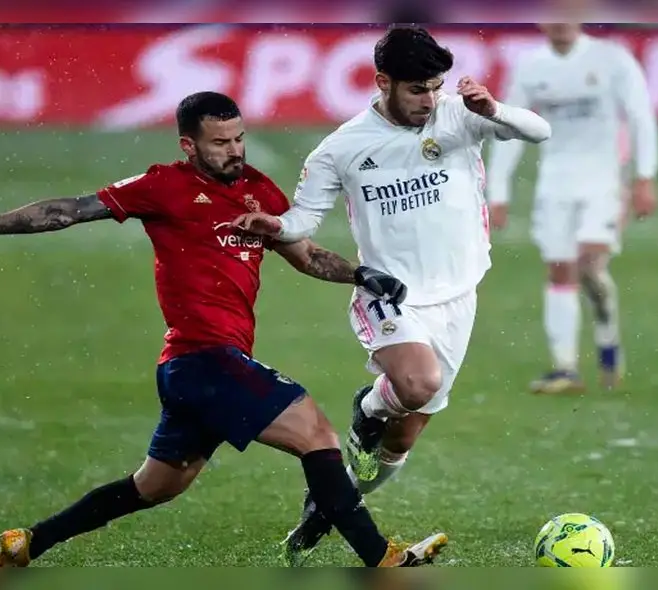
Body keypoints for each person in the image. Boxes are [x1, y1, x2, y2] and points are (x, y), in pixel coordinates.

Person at [0, 91, 448, 568]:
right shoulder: (162, 185)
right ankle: (382, 560)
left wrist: (361, 274)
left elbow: (304, 255)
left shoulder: (259, 191)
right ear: (188, 146)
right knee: (318, 435)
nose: (235, 151)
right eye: (220, 143)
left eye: (239, 138)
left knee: (154, 487)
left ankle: (26, 543)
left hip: (200, 369)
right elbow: (66, 211)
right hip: (202, 358)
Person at [234, 25, 552, 566]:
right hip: (389, 293)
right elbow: (305, 218)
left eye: (435, 87)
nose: (429, 101)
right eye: (416, 90)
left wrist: (494, 107)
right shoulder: (343, 147)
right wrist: (276, 224)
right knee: (416, 382)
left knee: (399, 444)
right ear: (383, 82)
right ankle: (368, 405)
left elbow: (538, 131)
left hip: (459, 295)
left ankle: (331, 508)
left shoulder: (460, 113)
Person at [485, 23, 658, 394]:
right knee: (559, 271)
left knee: (589, 267)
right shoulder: (531, 65)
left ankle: (607, 332)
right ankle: (565, 368)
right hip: (555, 183)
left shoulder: (611, 59)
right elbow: (509, 124)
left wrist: (644, 177)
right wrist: (497, 191)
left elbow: (641, 115)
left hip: (604, 182)